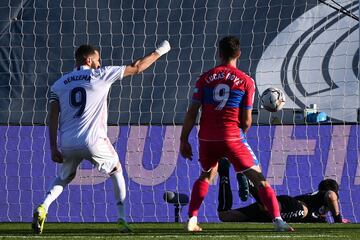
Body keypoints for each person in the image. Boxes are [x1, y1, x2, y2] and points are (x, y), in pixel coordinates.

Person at [32, 41, 171, 234]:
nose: (100, 62)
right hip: (94, 139)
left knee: (64, 177)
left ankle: (43, 207)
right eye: (98, 59)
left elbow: (53, 116)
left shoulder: (58, 84)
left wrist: (53, 147)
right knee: (116, 170)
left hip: (68, 141)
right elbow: (137, 67)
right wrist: (160, 51)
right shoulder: (100, 74)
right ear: (88, 60)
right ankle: (122, 219)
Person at [179, 36, 293, 232]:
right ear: (239, 54)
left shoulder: (205, 78)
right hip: (232, 137)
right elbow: (247, 121)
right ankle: (278, 220)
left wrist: (183, 140)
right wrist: (239, 136)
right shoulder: (246, 81)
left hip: (207, 138)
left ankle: (192, 218)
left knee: (206, 176)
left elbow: (192, 112)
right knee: (259, 179)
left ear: (219, 53)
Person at [217, 159, 350, 223]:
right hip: (288, 206)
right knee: (303, 211)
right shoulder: (321, 196)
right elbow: (331, 195)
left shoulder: (321, 219)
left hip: (272, 212)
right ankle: (250, 184)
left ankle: (223, 172)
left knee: (225, 216)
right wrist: (338, 219)